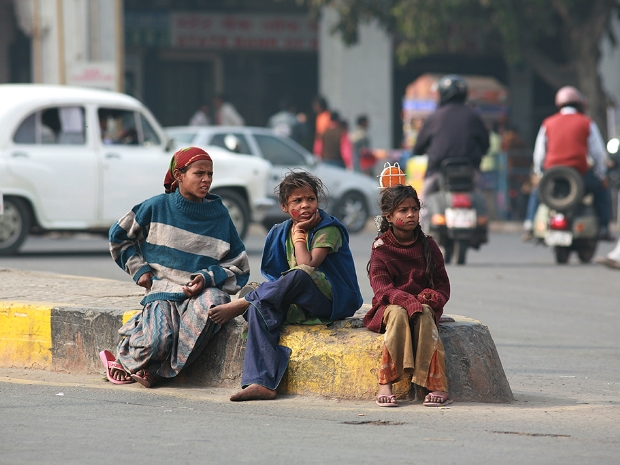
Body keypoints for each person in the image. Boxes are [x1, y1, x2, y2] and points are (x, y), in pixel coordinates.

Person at [100, 146, 250, 388]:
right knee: (157, 341)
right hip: (163, 290)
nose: (206, 180)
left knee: (213, 308)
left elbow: (239, 266)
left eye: (210, 174)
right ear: (179, 175)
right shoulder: (156, 206)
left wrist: (206, 277)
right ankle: (126, 355)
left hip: (203, 291)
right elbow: (119, 236)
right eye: (199, 173)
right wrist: (139, 269)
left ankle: (155, 370)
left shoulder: (220, 214)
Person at [208, 170, 363, 401]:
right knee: (259, 310)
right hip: (298, 300)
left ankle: (244, 301)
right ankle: (263, 382)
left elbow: (307, 265)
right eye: (297, 201)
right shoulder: (280, 232)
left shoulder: (327, 229)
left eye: (311, 199)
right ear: (283, 206)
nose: (305, 205)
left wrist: (300, 233)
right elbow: (276, 276)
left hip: (331, 300)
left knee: (300, 274)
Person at [364, 184, 452, 407]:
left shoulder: (429, 245)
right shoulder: (381, 247)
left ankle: (435, 383)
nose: (411, 214)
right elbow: (382, 289)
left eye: (414, 208)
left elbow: (442, 285)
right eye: (403, 210)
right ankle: (386, 382)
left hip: (421, 306)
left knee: (423, 315)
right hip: (390, 306)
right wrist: (406, 300)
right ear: (389, 216)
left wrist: (432, 297)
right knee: (399, 314)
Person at [522, 86, 613, 241]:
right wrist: (601, 174)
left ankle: (529, 225)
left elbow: (539, 153)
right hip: (579, 175)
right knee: (602, 190)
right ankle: (604, 228)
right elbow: (598, 154)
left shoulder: (548, 123)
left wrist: (538, 173)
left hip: (552, 175)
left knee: (538, 190)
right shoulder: (586, 123)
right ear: (579, 104)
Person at [412, 74, 489, 199]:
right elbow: (486, 144)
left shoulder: (434, 117)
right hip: (469, 174)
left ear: (443, 93)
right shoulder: (474, 116)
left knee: (421, 208)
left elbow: (418, 147)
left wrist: (419, 151)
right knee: (480, 205)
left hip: (437, 173)